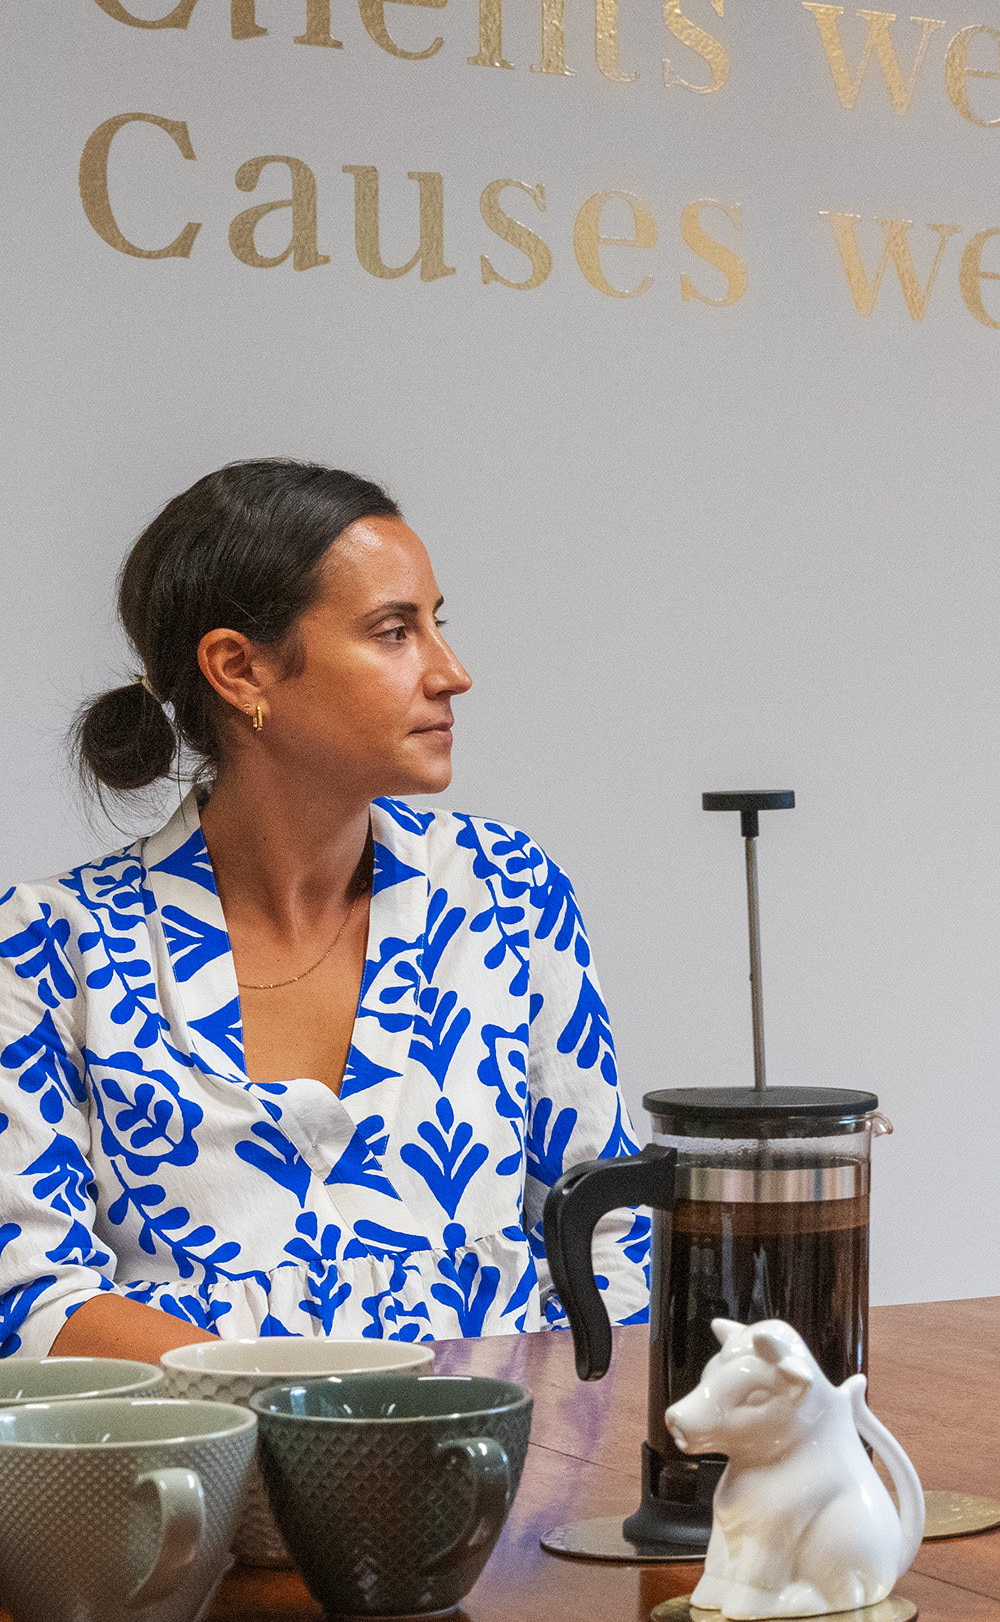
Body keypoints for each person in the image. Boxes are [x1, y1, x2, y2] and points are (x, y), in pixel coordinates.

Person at [0, 459, 650, 1357]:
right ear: (240, 669)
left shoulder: (507, 893)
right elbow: (33, 1303)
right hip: (202, 1489)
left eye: (436, 624)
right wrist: (330, 1424)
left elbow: (611, 1236)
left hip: (508, 1481)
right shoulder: (48, 950)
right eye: (394, 632)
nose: (452, 672)